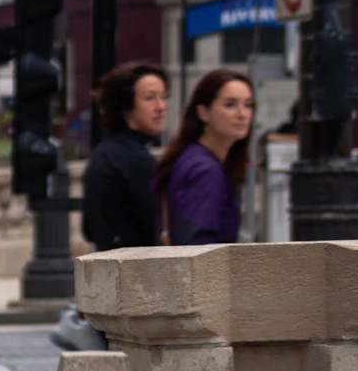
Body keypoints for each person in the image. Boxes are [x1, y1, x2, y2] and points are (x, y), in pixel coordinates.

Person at [153, 67, 255, 246]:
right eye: (230, 104)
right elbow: (198, 244)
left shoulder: (198, 159)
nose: (242, 114)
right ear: (203, 112)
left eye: (248, 105)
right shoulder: (204, 169)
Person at [83, 63, 168, 252]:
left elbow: (88, 229)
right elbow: (154, 228)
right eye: (150, 98)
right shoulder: (132, 158)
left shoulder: (106, 151)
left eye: (163, 97)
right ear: (126, 105)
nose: (161, 107)